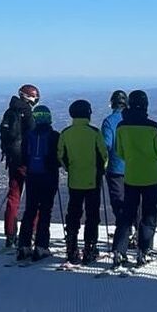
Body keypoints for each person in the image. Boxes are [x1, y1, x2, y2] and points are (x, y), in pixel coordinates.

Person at [112, 90, 157, 268]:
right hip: (150, 176)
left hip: (131, 176)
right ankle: (143, 250)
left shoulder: (121, 126)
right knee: (148, 214)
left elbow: (120, 152)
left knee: (127, 214)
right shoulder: (152, 126)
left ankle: (119, 250)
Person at [58, 99, 109, 265]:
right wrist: (101, 170)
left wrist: (69, 168)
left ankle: (71, 248)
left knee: (73, 213)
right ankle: (90, 248)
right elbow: (104, 156)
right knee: (92, 215)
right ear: (88, 113)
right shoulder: (94, 132)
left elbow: (61, 156)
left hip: (74, 180)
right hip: (93, 180)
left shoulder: (66, 133)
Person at [17, 104, 60, 261]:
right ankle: (41, 246)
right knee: (45, 211)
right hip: (48, 177)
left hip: (32, 176)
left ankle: (23, 245)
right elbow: (58, 158)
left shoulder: (29, 135)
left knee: (30, 210)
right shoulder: (54, 135)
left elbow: (23, 157)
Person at [0, 84, 38, 249]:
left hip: (13, 161)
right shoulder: (27, 113)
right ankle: (33, 233)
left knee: (13, 197)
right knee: (34, 199)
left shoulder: (10, 112)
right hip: (27, 162)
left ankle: (10, 235)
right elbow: (33, 136)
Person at [101, 90, 128, 248]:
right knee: (135, 203)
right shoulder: (134, 120)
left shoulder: (109, 121)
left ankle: (124, 234)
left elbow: (107, 145)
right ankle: (140, 236)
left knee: (119, 204)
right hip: (135, 167)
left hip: (115, 168)